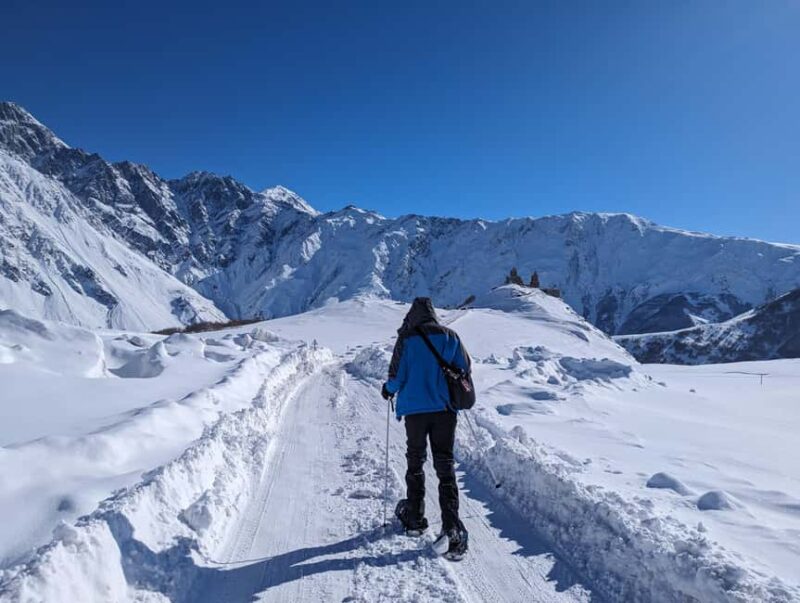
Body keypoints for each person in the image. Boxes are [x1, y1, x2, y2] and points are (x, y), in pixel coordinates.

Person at [381, 297, 470, 559]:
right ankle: (452, 528)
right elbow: (464, 369)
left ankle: (415, 518)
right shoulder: (451, 337)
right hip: (444, 412)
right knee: (445, 466)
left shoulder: (407, 339)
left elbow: (396, 378)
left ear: (412, 316)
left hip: (415, 413)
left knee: (415, 462)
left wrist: (388, 391)